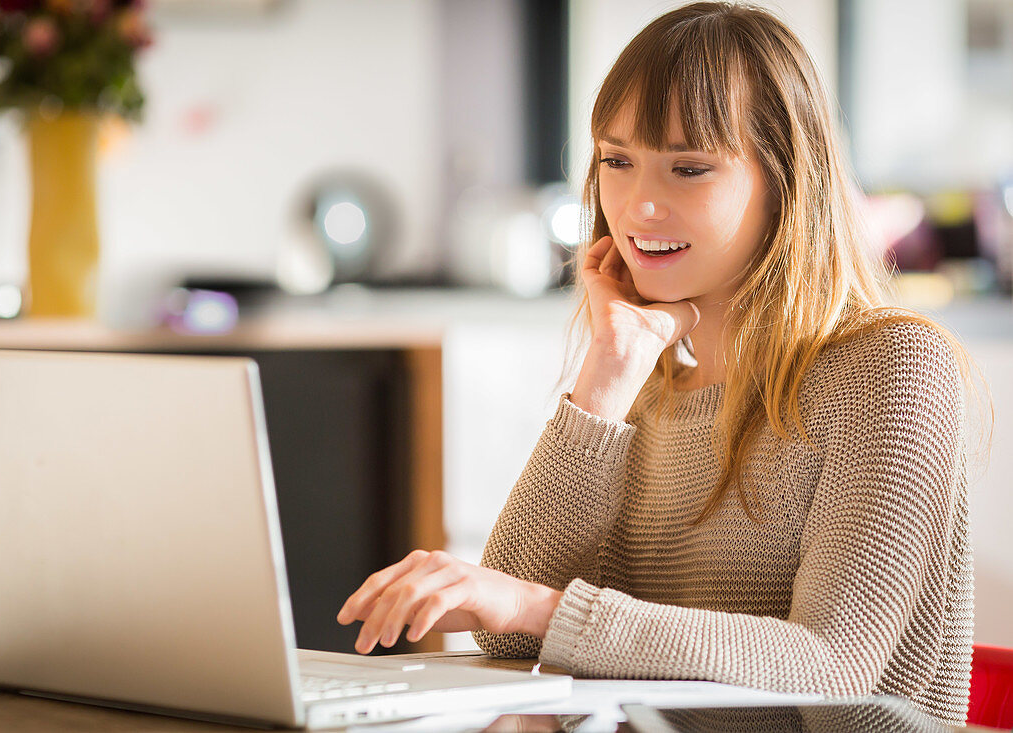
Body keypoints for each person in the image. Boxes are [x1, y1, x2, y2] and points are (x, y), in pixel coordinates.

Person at [337, 1, 988, 726]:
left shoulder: (892, 367)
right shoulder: (645, 389)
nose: (640, 205)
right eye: (617, 161)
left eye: (689, 168)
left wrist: (544, 608)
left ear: (784, 184)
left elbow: (830, 664)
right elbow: (507, 628)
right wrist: (607, 373)